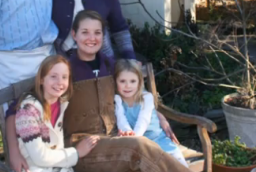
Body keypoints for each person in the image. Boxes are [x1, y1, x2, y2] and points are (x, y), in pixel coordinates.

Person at [63, 10, 191, 172]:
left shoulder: (111, 67)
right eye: (85, 32)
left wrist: (159, 115)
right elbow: (33, 100)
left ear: (103, 36)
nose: (91, 38)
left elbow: (137, 95)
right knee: (138, 146)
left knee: (141, 150)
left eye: (97, 32)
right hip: (85, 147)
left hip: (115, 141)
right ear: (74, 35)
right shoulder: (65, 70)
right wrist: (19, 152)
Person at [15, 55, 100, 172]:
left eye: (64, 77)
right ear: (41, 79)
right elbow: (39, 157)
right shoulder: (27, 111)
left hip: (59, 166)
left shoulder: (62, 102)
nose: (60, 82)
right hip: (34, 168)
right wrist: (76, 152)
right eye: (53, 76)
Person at [114, 59, 188, 167]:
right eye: (122, 81)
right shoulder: (118, 100)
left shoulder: (146, 97)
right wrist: (129, 135)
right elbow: (121, 121)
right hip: (136, 146)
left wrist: (134, 138)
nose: (128, 86)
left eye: (132, 81)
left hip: (158, 140)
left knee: (179, 166)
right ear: (116, 81)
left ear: (139, 82)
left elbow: (143, 121)